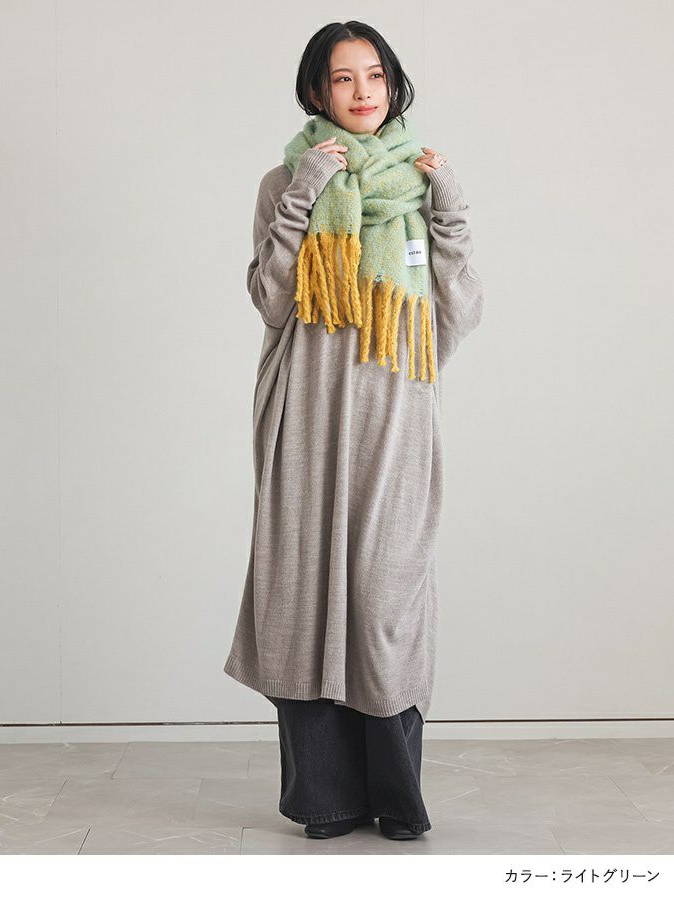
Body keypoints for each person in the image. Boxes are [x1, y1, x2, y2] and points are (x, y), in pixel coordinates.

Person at [223, 20, 484, 840]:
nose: (363, 91)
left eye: (375, 75)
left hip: (395, 414)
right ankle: (326, 800)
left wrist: (452, 216)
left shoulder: (421, 184)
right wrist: (304, 192)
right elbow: (272, 301)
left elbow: (454, 318)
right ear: (317, 91)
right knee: (303, 595)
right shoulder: (285, 179)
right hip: (306, 412)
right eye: (344, 78)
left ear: (393, 84)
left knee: (384, 598)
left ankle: (396, 800)